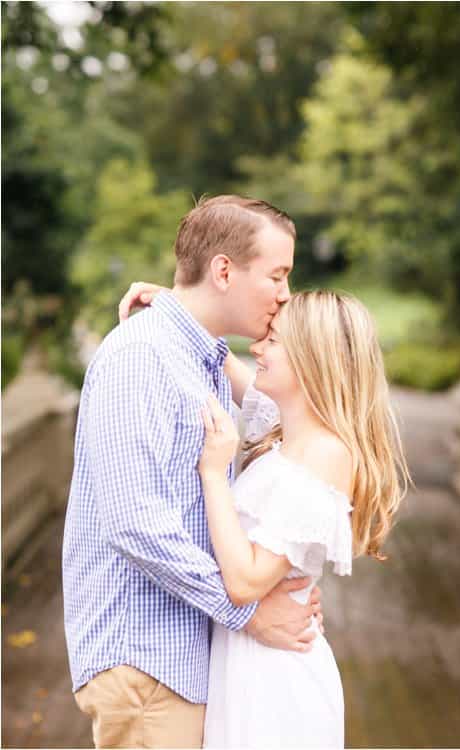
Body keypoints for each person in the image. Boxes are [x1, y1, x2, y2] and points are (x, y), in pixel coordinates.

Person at [63, 196, 324, 749]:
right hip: (145, 662)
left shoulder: (190, 356)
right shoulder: (139, 358)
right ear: (224, 270)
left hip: (179, 658)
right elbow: (136, 522)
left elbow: (285, 420)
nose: (285, 294)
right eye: (278, 276)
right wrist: (252, 610)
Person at [197, 290, 411, 747]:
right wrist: (178, 308)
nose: (256, 347)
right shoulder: (290, 432)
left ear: (313, 359)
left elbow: (246, 581)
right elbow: (223, 364)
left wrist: (214, 474)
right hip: (249, 664)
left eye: (272, 340)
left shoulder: (326, 452)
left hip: (276, 681)